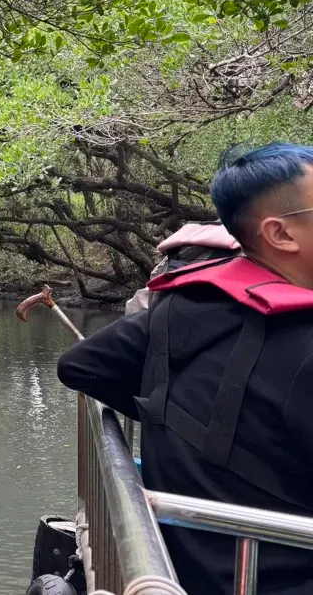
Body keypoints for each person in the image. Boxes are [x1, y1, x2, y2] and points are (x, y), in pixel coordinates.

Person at [57, 143, 313, 595]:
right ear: (281, 234)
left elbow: (81, 366)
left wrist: (169, 412)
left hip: (183, 563)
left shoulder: (180, 305)